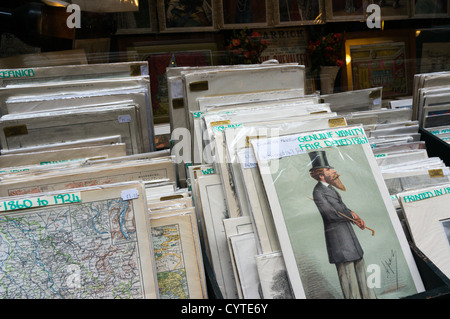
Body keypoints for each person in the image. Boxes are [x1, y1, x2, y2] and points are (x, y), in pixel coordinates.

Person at [308, 150, 377, 299]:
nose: (333, 171)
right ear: (321, 175)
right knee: (348, 278)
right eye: (328, 169)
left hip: (348, 237)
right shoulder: (318, 192)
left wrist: (354, 216)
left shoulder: (330, 188)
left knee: (361, 271)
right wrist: (351, 215)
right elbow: (330, 214)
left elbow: (342, 207)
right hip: (339, 241)